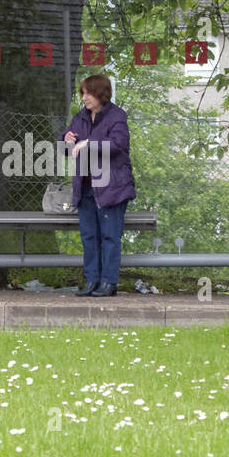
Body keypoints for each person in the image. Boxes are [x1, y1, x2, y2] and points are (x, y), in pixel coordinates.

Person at [61, 74, 136, 296]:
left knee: (110, 236)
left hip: (112, 188)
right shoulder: (80, 118)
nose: (84, 98)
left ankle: (109, 282)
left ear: (101, 94)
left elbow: (118, 144)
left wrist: (88, 143)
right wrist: (65, 139)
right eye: (82, 93)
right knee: (89, 236)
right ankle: (92, 280)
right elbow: (67, 145)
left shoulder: (116, 116)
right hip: (85, 187)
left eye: (88, 93)